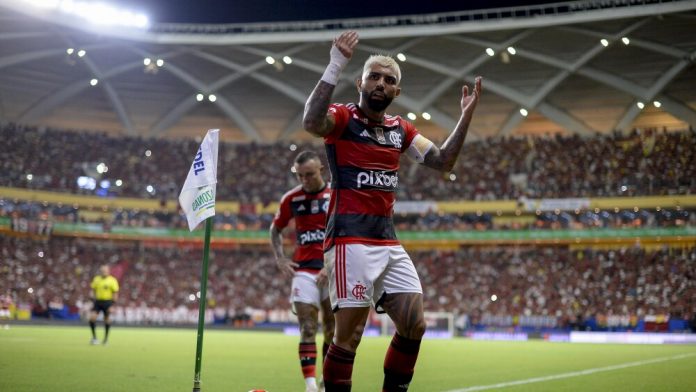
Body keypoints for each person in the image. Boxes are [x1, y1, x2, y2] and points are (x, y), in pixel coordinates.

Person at [302, 30, 482, 391]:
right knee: (348, 337)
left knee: (415, 325)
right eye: (374, 77)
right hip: (350, 241)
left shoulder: (400, 130)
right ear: (360, 82)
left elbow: (443, 161)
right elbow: (311, 121)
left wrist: (465, 116)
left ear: (397, 92)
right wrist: (336, 62)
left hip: (387, 242)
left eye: (390, 80)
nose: (381, 84)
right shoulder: (342, 118)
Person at [270, 151, 336, 392]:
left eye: (309, 174)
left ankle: (327, 380)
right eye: (300, 176)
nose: (305, 180)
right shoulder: (291, 199)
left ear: (321, 170)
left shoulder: (335, 195)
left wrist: (331, 265)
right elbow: (275, 229)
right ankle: (310, 385)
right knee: (308, 327)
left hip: (333, 269)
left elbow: (347, 230)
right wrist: (280, 257)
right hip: (305, 271)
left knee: (332, 329)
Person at [89, 264, 119, 345]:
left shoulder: (112, 280)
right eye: (102, 271)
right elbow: (93, 289)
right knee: (92, 318)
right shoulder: (96, 279)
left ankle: (105, 339)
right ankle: (94, 338)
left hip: (108, 302)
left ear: (108, 271)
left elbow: (115, 293)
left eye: (105, 271)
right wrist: (91, 297)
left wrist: (112, 305)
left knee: (107, 319)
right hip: (98, 301)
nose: (104, 272)